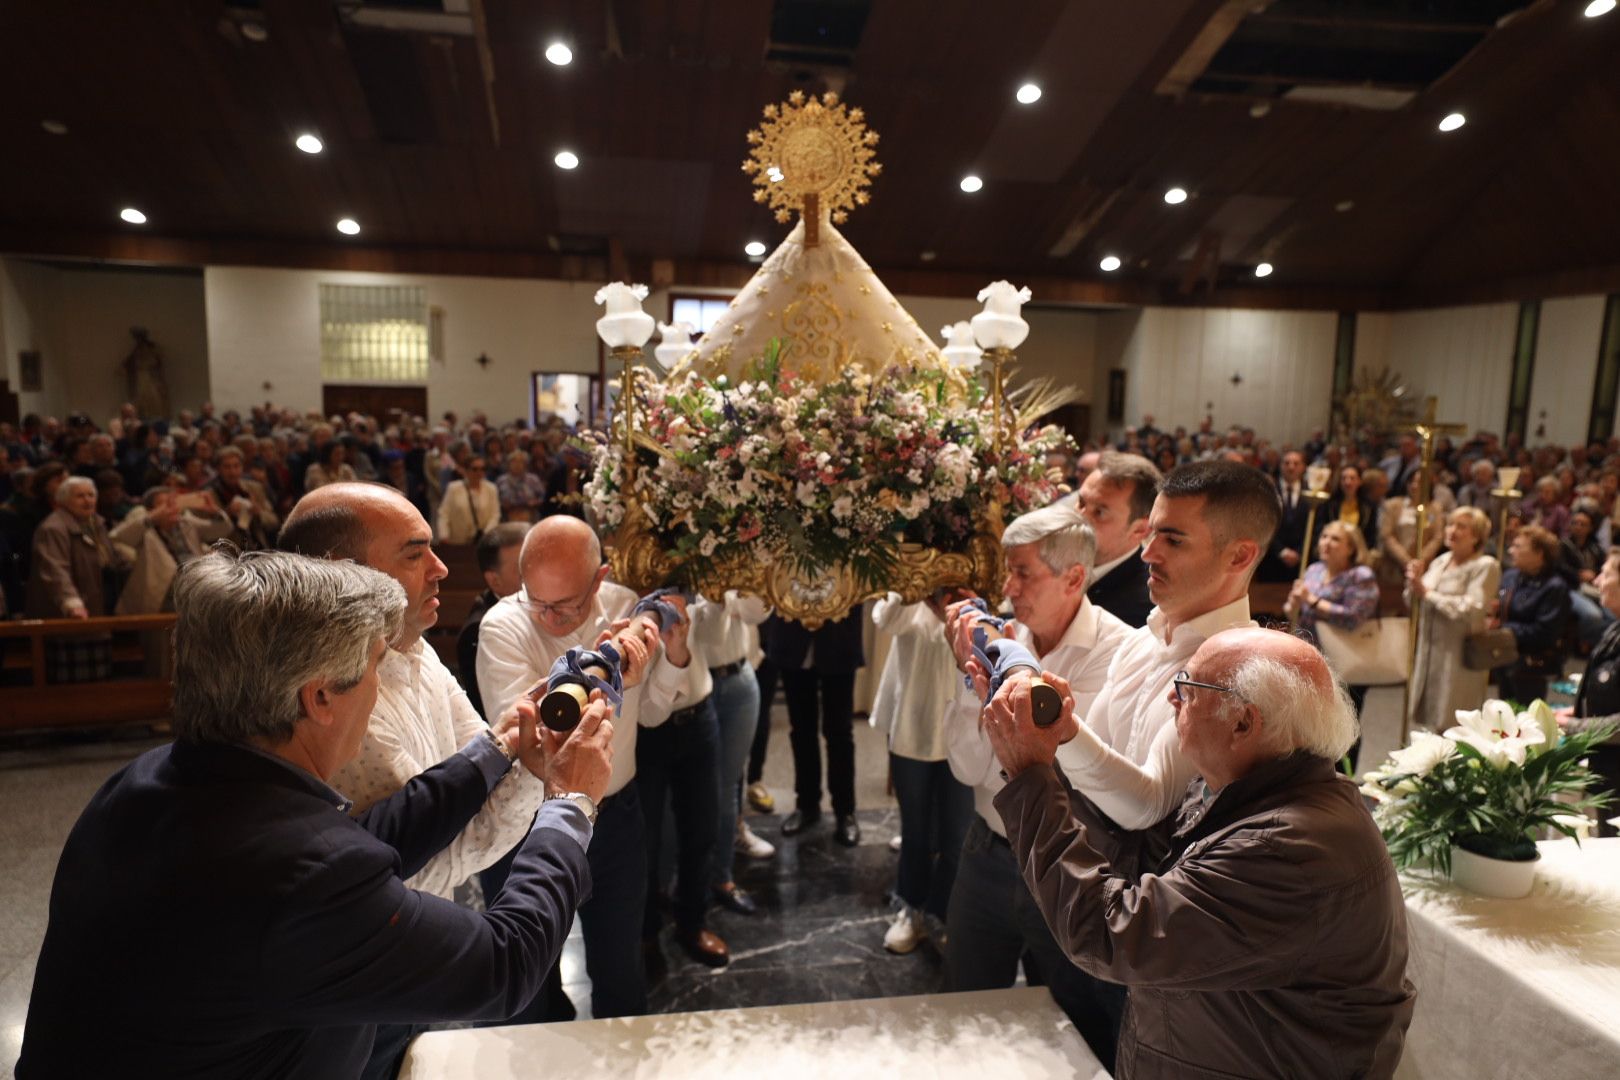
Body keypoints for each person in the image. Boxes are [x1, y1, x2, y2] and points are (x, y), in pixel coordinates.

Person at [18, 549, 613, 1079]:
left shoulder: (147, 779)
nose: (380, 689)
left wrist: (499, 745)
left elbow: (377, 842)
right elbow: (503, 965)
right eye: (377, 667)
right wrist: (571, 802)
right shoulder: (303, 874)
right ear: (320, 697)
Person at [981, 627, 1414, 1079]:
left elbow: (1110, 934)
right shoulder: (1255, 793)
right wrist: (1056, 744)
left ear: (1244, 723)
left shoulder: (1285, 850)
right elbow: (1136, 861)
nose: (1173, 698)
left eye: (1188, 686)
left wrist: (1030, 775)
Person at [280, 484, 566, 1075]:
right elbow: (432, 859)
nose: (440, 569)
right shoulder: (346, 698)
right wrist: (558, 794)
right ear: (344, 574)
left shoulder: (414, 647)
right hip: (370, 964)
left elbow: (481, 755)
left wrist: (524, 755)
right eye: (414, 555)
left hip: (407, 943)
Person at [939, 504, 1132, 1068]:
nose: (1007, 587)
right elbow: (965, 767)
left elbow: (1078, 775)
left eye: (1022, 572)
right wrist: (966, 677)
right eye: (1007, 571)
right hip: (988, 851)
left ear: (1074, 577)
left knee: (1078, 1031)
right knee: (965, 1012)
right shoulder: (1004, 641)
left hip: (1065, 865)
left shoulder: (1119, 653)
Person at [476, 515, 689, 1018]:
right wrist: (612, 676)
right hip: (531, 822)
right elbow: (539, 746)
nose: (549, 617)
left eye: (565, 605)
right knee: (529, 985)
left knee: (620, 969)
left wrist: (674, 654)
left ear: (600, 579)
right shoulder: (502, 625)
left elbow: (656, 714)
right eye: (538, 602)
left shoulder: (626, 605)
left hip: (617, 817)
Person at [870, 591, 973, 954]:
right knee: (914, 832)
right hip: (912, 728)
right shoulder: (909, 596)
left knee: (956, 836)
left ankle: (940, 912)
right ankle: (911, 908)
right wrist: (915, 588)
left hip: (964, 735)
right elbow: (886, 620)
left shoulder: (974, 592)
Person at [689, 591, 775, 918]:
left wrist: (737, 591)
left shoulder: (730, 549)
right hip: (695, 684)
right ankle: (680, 883)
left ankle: (722, 878)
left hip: (740, 679)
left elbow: (756, 612)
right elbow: (708, 630)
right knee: (690, 791)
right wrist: (721, 600)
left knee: (727, 788)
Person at [761, 607, 866, 845]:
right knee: (801, 730)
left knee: (839, 731)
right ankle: (807, 804)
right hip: (792, 632)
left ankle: (845, 811)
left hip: (839, 632)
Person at [1407, 507, 1500, 732]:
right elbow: (1414, 601)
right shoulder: (1442, 560)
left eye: (1462, 527)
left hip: (1457, 654)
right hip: (1429, 650)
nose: (1453, 530)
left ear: (1476, 536)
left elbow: (1472, 608)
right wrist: (1413, 581)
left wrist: (1428, 594)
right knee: (1427, 722)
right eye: (1450, 524)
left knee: (1453, 723)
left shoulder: (1485, 566)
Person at [27, 476, 126, 681]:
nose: (88, 500)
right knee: (72, 686)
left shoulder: (95, 523)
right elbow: (55, 570)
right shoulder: (53, 528)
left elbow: (111, 559)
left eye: (91, 495)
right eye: (80, 496)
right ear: (63, 500)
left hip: (98, 608)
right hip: (70, 615)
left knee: (100, 682)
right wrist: (71, 603)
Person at [1558, 547, 1620, 836]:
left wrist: (1575, 726)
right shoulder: (1614, 629)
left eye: (1606, 574)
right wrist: (1582, 709)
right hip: (1607, 772)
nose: (1596, 581)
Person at [1073, 450, 1160, 628]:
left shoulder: (1145, 606)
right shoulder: (1055, 556)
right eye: (1081, 503)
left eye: (1100, 512)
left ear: (1140, 530)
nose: (1078, 518)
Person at [457, 521, 529, 719]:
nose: (537, 572)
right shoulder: (477, 630)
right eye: (524, 568)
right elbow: (492, 714)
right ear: (494, 580)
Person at [1493, 524, 1571, 704]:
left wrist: (1503, 628)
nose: (1511, 551)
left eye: (1518, 546)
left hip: (1530, 666)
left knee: (1525, 720)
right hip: (1503, 657)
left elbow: (1545, 633)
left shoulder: (1555, 587)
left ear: (1539, 554)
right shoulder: (1511, 576)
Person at [1380, 471, 1444, 592]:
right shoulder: (1393, 505)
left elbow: (1438, 537)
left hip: (1423, 566)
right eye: (1411, 482)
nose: (1414, 486)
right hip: (1395, 565)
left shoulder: (1435, 509)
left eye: (1419, 482)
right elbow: (1387, 535)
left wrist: (1419, 560)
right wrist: (1405, 560)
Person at [1560, 502, 1611, 646]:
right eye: (1575, 523)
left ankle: (1600, 642)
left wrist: (1594, 574)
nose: (1579, 527)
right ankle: (1590, 643)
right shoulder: (1563, 545)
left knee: (1613, 615)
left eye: (1583, 524)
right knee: (1593, 615)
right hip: (1572, 588)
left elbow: (1603, 567)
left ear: (1590, 528)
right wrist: (1578, 574)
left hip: (1594, 588)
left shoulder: (1595, 548)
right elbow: (1559, 568)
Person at [1258, 450, 1310, 582]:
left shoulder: (1312, 493)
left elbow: (1314, 527)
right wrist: (1281, 551)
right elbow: (1262, 524)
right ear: (1280, 466)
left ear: (1303, 467)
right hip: (1272, 560)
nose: (1291, 467)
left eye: (1296, 463)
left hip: (1301, 562)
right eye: (1286, 463)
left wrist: (1299, 552)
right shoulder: (1267, 491)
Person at [437, 455, 499, 544]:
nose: (479, 472)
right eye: (475, 469)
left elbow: (495, 515)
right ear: (466, 470)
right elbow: (444, 513)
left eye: (483, 469)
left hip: (482, 541)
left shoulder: (491, 489)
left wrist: (486, 534)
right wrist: (444, 535)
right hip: (458, 542)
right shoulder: (453, 488)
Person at [1327, 462, 1379, 553]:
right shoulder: (1329, 505)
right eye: (1344, 478)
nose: (1348, 482)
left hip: (1357, 553)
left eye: (1352, 478)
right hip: (1333, 550)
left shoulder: (1369, 507)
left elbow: (1371, 535)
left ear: (1359, 481)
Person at [496, 449, 545, 523]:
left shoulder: (533, 479)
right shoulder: (501, 481)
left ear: (525, 464)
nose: (517, 464)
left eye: (520, 462)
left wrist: (535, 502)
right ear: (509, 464)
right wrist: (502, 504)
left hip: (530, 517)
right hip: (508, 518)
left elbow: (543, 497)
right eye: (514, 461)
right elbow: (495, 501)